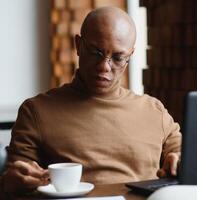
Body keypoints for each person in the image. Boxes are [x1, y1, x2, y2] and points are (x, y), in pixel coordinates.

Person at [1, 6, 181, 194]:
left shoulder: (154, 111)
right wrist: (13, 181)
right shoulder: (36, 111)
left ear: (130, 56)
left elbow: (183, 155)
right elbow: (13, 182)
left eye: (118, 58)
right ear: (78, 45)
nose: (104, 67)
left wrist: (178, 160)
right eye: (96, 53)